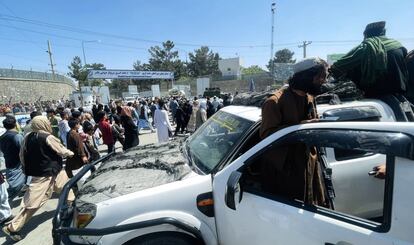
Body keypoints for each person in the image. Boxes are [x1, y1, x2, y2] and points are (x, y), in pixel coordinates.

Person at [259, 57, 330, 207]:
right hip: (287, 172)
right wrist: (298, 127)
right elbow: (266, 136)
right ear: (306, 76)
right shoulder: (274, 102)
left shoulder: (310, 97)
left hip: (310, 166)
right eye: (320, 77)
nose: (323, 81)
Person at [2, 116, 74, 242]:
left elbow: (22, 155)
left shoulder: (27, 137)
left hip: (49, 172)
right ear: (43, 124)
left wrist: (25, 169)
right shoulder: (48, 137)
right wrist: (71, 153)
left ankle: (71, 208)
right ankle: (12, 227)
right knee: (33, 203)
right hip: (46, 174)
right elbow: (62, 150)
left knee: (66, 188)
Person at [330, 21, 411, 121]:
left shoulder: (366, 48)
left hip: (376, 93)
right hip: (400, 93)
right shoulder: (398, 46)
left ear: (366, 34)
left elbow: (339, 66)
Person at [0, 117, 26, 201]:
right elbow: (24, 151)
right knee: (14, 188)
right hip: (18, 165)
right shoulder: (17, 136)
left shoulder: (2, 136)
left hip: (9, 162)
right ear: (15, 124)